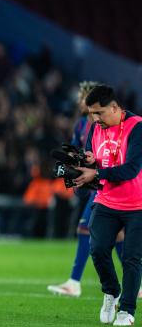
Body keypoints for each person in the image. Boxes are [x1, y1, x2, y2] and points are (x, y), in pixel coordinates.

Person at [46, 81, 125, 297]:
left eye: (84, 96)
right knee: (117, 235)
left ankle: (75, 282)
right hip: (92, 185)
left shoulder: (108, 124)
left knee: (85, 228)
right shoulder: (82, 124)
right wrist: (70, 161)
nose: (81, 101)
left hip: (107, 184)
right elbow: (76, 149)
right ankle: (135, 283)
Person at [72, 84, 142, 326]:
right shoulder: (95, 128)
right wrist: (82, 165)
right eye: (91, 113)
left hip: (137, 205)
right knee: (98, 249)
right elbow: (92, 159)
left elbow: (131, 169)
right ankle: (111, 291)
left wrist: (97, 173)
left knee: (132, 258)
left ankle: (127, 311)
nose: (94, 118)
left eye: (98, 112)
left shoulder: (137, 127)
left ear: (114, 107)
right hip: (106, 201)